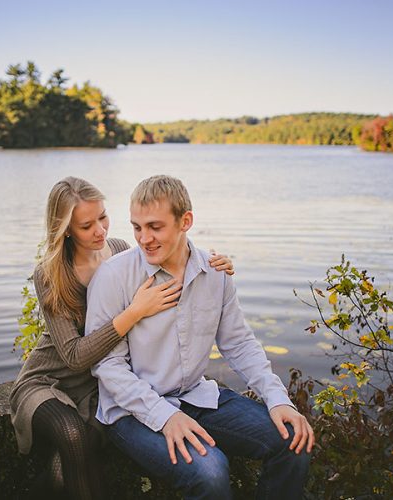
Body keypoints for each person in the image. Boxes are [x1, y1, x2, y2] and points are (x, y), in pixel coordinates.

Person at [85, 175, 314, 500]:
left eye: (155, 227)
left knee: (293, 440)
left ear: (185, 221)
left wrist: (277, 399)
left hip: (197, 396)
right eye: (136, 227)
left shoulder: (214, 272)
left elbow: (240, 344)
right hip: (130, 411)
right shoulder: (113, 277)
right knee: (210, 471)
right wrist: (165, 417)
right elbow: (108, 367)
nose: (144, 238)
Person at [9, 177, 234, 500]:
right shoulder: (50, 273)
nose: (100, 230)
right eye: (87, 226)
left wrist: (213, 264)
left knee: (63, 473)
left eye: (103, 217)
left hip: (97, 383)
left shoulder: (118, 250)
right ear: (66, 229)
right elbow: (73, 355)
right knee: (73, 437)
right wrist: (133, 313)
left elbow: (170, 247)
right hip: (51, 378)